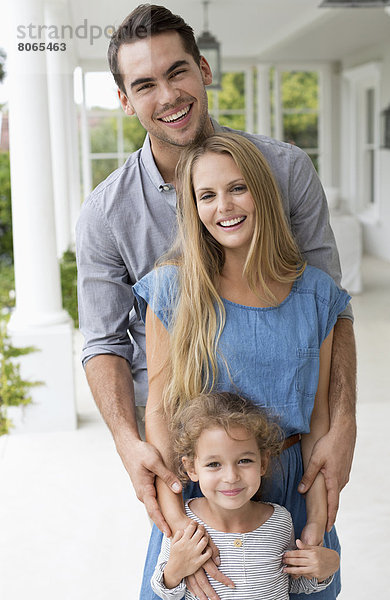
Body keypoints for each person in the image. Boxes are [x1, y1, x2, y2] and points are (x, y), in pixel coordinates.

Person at [75, 4, 356, 598]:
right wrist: (134, 448)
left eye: (178, 71)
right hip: (192, 468)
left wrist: (342, 423)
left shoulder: (285, 170)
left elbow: (331, 309)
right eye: (144, 84)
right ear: (125, 99)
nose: (168, 94)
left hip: (287, 454)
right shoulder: (108, 215)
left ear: (204, 69)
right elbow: (103, 344)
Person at [132, 132, 351, 599]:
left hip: (293, 484)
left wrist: (315, 519)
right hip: (202, 492)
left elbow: (317, 421)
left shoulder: (316, 296)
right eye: (207, 195)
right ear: (194, 208)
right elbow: (159, 414)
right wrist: (177, 529)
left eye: (237, 188)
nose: (224, 206)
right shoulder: (173, 291)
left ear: (263, 193)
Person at [150, 392, 340, 600]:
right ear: (191, 468)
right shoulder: (185, 526)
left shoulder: (280, 521)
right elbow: (165, 591)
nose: (231, 477)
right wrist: (175, 571)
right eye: (214, 464)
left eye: (244, 461)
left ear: (263, 462)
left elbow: (296, 583)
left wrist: (327, 567)